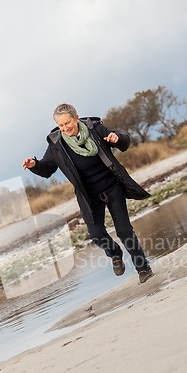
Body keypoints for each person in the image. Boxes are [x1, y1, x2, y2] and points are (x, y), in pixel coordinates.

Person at [22, 103, 153, 284]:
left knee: (124, 231)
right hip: (89, 195)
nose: (65, 128)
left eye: (68, 123)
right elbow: (47, 169)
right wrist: (34, 165)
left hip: (113, 187)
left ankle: (143, 268)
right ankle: (115, 254)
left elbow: (124, 142)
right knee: (97, 234)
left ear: (76, 118)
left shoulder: (95, 129)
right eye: (61, 125)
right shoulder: (56, 144)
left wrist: (118, 138)